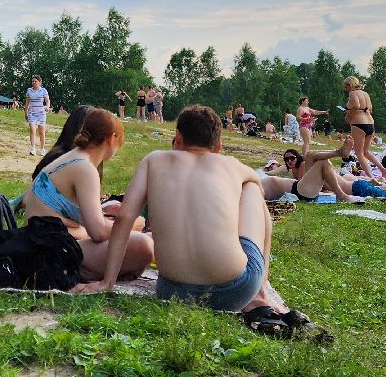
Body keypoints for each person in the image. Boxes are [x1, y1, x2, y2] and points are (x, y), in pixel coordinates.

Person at [73, 105, 320, 338]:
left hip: (174, 292)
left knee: (249, 188)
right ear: (219, 146)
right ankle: (261, 291)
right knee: (253, 189)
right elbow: (259, 188)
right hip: (236, 290)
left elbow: (125, 218)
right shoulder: (231, 165)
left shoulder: (154, 160)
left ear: (177, 138)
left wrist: (107, 282)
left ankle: (258, 290)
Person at [20, 108, 154, 282]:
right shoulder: (85, 169)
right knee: (143, 245)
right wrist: (128, 226)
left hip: (38, 242)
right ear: (112, 138)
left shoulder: (70, 158)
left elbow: (33, 201)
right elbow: (97, 232)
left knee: (142, 238)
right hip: (51, 252)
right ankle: (92, 273)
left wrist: (101, 212)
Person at [262, 145, 357, 203]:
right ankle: (341, 196)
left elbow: (275, 172)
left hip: (300, 188)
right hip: (300, 191)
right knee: (322, 161)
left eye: (292, 158)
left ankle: (339, 152)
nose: (289, 161)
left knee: (311, 156)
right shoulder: (254, 189)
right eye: (287, 159)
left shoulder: (301, 165)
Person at [344, 77, 375, 177]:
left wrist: (349, 115)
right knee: (366, 152)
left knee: (359, 153)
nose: (346, 89)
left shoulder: (352, 93)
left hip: (359, 123)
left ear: (350, 85)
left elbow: (356, 106)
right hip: (370, 122)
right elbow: (370, 109)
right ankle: (383, 170)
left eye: (346, 87)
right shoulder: (365, 94)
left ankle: (371, 176)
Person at [25, 75, 52, 156]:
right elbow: (27, 102)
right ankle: (33, 148)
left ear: (40, 82)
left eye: (35, 81)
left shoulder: (43, 90)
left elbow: (47, 101)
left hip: (41, 113)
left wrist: (47, 106)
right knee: (32, 129)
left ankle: (42, 149)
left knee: (41, 132)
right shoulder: (29, 90)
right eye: (32, 81)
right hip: (32, 113)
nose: (33, 82)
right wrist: (25, 112)